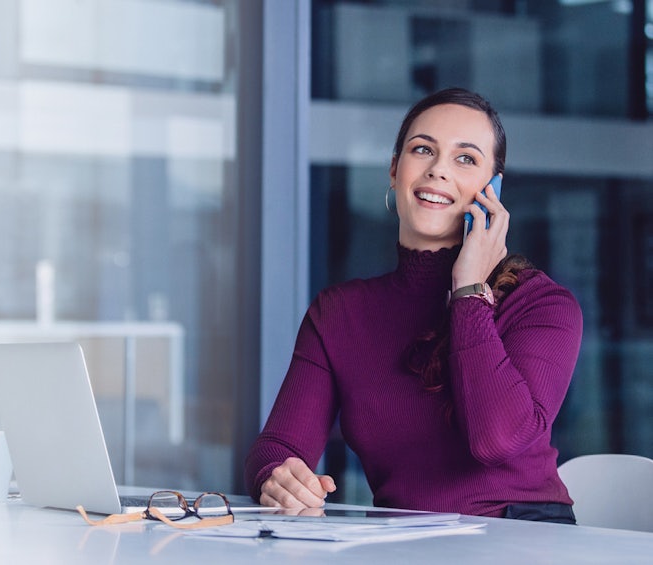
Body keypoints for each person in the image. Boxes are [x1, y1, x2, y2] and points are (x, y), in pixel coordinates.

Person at [244, 87, 582, 524]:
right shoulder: (339, 313)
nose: (438, 170)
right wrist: (278, 478)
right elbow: (277, 448)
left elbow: (495, 440)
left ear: (492, 190)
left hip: (523, 536)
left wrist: (468, 292)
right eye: (423, 149)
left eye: (465, 159)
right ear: (394, 170)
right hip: (403, 542)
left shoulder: (542, 306)